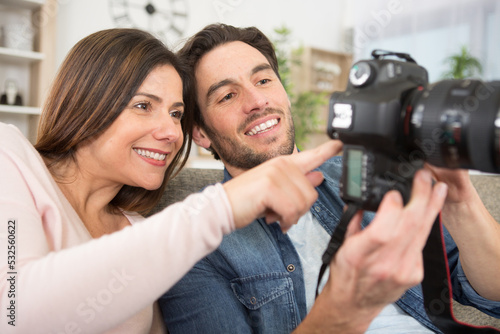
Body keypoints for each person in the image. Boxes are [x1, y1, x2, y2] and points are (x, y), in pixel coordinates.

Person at [0, 28, 347, 333]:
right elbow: (14, 312)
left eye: (176, 114)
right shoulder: (10, 156)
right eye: (143, 106)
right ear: (86, 102)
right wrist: (223, 206)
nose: (171, 133)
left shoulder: (139, 230)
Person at [159, 23, 500, 333]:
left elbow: (491, 296)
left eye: (263, 80)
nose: (257, 101)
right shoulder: (193, 240)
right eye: (227, 95)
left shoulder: (377, 171)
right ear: (201, 133)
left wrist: (461, 202)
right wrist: (349, 306)